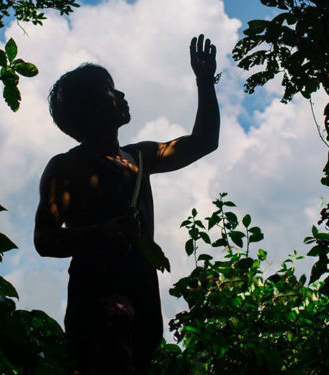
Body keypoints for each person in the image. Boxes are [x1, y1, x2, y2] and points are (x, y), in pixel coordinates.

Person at [34, 35, 220, 375]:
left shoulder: (140, 157)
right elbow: (44, 240)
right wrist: (100, 233)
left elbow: (204, 142)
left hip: (143, 295)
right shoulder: (66, 168)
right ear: (88, 108)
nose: (120, 96)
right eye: (109, 91)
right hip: (96, 297)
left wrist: (205, 81)